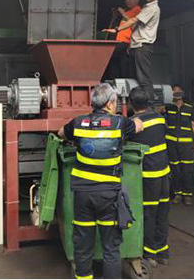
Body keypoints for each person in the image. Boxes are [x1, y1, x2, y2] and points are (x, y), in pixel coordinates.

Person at [57, 83, 143, 279]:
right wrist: (136, 118)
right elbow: (139, 126)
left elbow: (61, 133)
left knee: (83, 243)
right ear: (110, 103)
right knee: (110, 247)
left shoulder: (78, 122)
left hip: (82, 195)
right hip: (108, 195)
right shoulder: (120, 123)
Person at [129, 87, 170, 268]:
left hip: (148, 176)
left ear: (130, 103)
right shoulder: (160, 119)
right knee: (163, 212)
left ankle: (149, 253)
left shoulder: (133, 125)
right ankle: (163, 252)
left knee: (149, 214)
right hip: (164, 174)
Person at [103, 0, 161, 101]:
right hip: (135, 46)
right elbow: (134, 26)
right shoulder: (146, 8)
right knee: (135, 77)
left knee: (143, 78)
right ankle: (138, 101)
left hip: (142, 46)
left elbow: (133, 21)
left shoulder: (151, 8)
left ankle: (148, 103)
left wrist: (116, 29)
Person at [164, 84, 194, 206]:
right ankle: (177, 194)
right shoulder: (168, 107)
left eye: (178, 91)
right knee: (175, 169)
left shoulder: (189, 108)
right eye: (174, 91)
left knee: (187, 170)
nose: (176, 93)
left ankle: (187, 195)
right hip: (171, 143)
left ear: (182, 93)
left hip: (186, 143)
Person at [107, 0, 142, 79]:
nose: (127, 1)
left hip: (126, 42)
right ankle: (115, 80)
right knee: (118, 63)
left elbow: (134, 24)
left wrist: (123, 13)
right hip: (119, 41)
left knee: (113, 58)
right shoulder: (127, 11)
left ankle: (117, 79)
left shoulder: (138, 11)